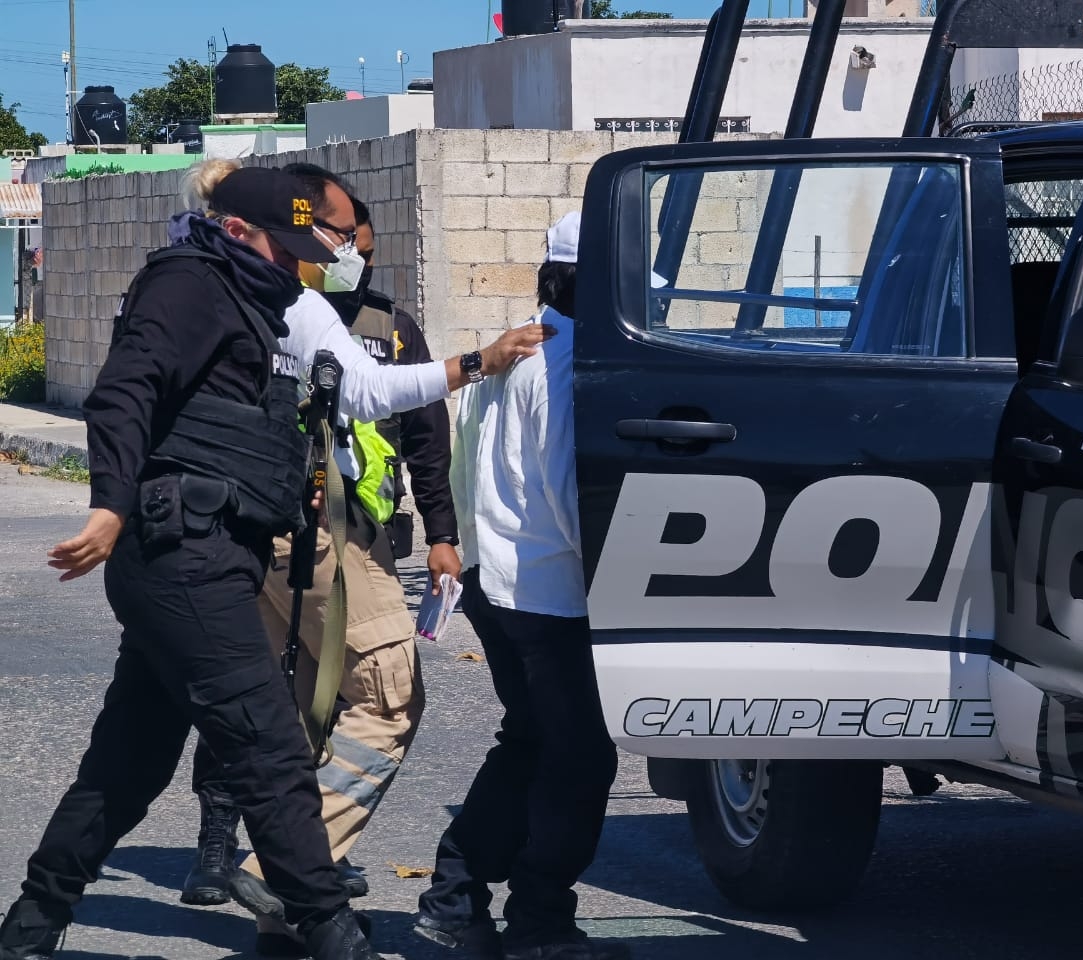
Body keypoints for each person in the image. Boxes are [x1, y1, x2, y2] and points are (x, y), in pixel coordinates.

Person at [0, 166, 381, 960]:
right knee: (268, 744)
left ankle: (32, 924)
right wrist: (107, 503)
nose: (299, 268)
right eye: (287, 251)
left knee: (130, 760)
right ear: (238, 232)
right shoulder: (189, 285)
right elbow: (125, 391)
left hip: (212, 550)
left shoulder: (251, 299)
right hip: (180, 552)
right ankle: (329, 929)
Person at [177, 161, 534, 956]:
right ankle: (290, 872)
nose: (342, 250)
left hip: (277, 529)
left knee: (305, 709)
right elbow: (370, 395)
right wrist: (479, 361)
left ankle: (286, 905)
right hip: (289, 530)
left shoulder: (198, 287)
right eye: (332, 233)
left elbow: (415, 438)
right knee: (387, 690)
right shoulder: (286, 303)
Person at [413, 212, 627, 960]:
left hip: (494, 582)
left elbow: (468, 468)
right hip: (549, 592)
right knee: (579, 758)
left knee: (533, 740)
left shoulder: (512, 349)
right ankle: (538, 921)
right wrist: (618, 585)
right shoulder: (565, 368)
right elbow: (569, 497)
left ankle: (454, 895)